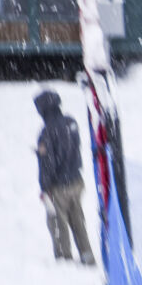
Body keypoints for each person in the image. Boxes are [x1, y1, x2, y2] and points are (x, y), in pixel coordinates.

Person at [34, 90, 97, 266]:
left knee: (57, 224)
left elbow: (48, 164)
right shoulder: (71, 122)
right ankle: (87, 256)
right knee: (78, 221)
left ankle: (64, 262)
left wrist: (45, 188)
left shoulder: (46, 132)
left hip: (58, 187)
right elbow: (71, 148)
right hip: (77, 181)